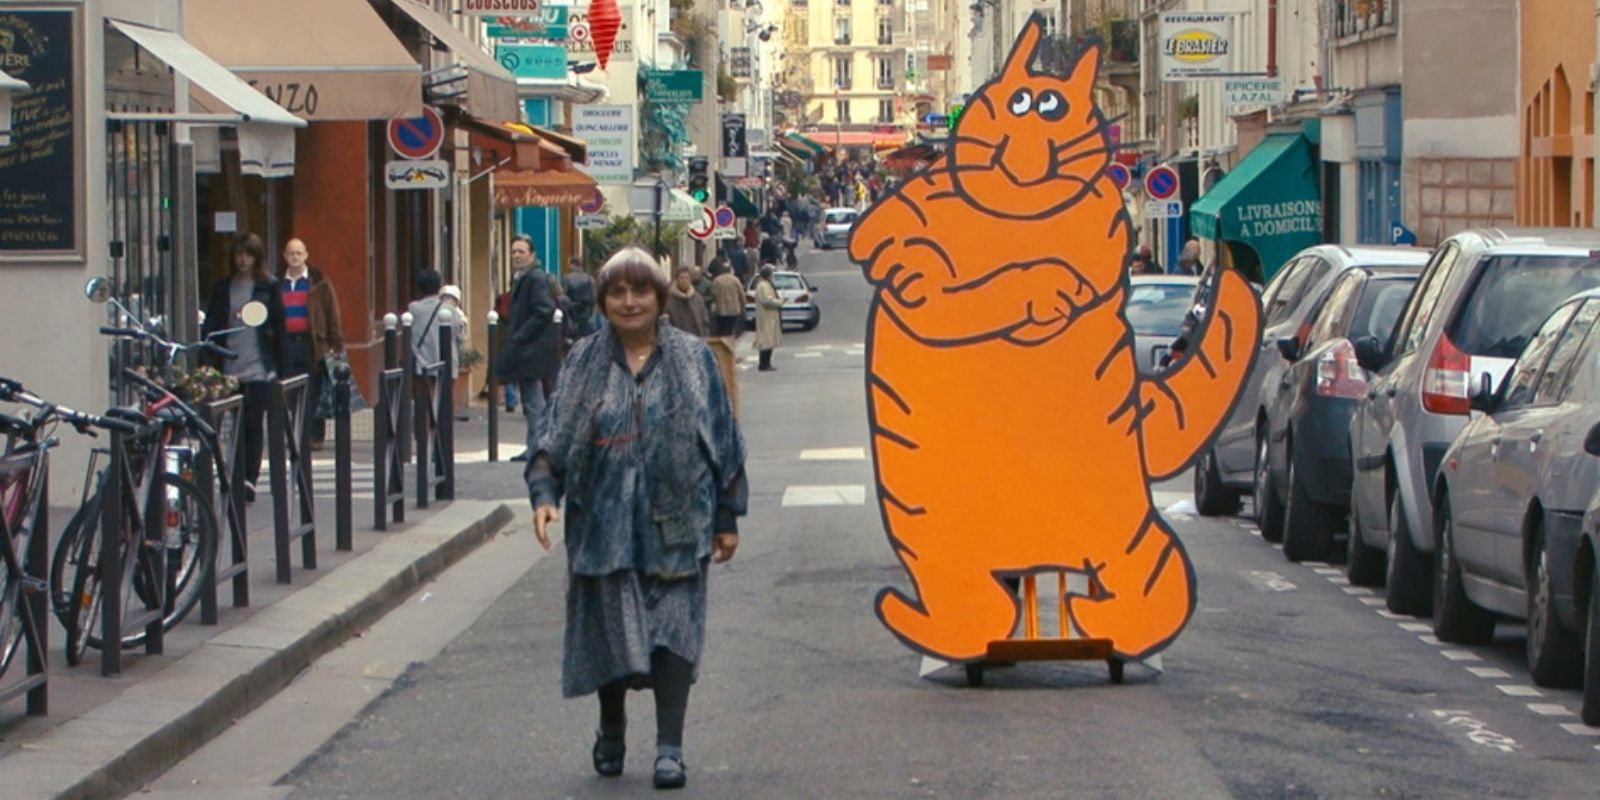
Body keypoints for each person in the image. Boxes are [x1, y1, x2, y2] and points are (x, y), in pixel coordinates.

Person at [527, 246, 746, 790]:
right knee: (612, 636)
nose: (630, 302)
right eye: (617, 293)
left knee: (674, 634)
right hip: (602, 527)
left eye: (640, 291)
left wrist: (726, 516)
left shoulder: (694, 359)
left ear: (659, 296)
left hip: (678, 525)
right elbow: (553, 441)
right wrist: (544, 492)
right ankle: (612, 726)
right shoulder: (583, 361)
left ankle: (670, 747)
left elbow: (724, 440)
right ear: (603, 301)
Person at [203, 233, 288, 503]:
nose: (243, 259)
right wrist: (206, 362)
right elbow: (212, 328)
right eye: (239, 254)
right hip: (228, 364)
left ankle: (249, 478)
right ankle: (234, 474)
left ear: (256, 257)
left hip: (259, 366)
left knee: (253, 421)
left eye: (248, 254)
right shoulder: (222, 287)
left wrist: (280, 369)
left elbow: (279, 327)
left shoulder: (268, 286)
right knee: (231, 424)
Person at [496, 236, 562, 462]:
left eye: (521, 252)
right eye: (513, 251)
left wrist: (520, 335)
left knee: (534, 403)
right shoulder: (523, 278)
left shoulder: (535, 278)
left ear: (532, 255)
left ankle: (538, 448)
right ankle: (534, 446)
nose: (516, 255)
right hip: (528, 349)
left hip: (532, 350)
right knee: (531, 402)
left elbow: (543, 310)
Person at [278, 238, 343, 449]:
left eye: (299, 253)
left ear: (306, 255)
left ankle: (315, 437)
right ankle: (296, 434)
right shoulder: (278, 283)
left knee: (314, 391)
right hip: (287, 344)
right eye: (291, 253)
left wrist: (336, 344)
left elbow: (332, 313)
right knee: (291, 391)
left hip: (313, 343)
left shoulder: (319, 283)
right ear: (285, 256)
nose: (295, 257)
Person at [561, 259, 601, 349]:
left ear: (573, 264)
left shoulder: (566, 278)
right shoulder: (589, 278)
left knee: (573, 335)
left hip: (572, 309)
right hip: (586, 310)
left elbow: (564, 294)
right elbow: (593, 296)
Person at [664, 266, 710, 337]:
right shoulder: (669, 299)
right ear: (676, 279)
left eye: (687, 278)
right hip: (676, 340)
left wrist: (705, 335)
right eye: (682, 278)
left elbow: (704, 320)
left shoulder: (697, 299)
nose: (684, 280)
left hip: (696, 339)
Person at [753, 265, 783, 371]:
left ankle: (767, 363)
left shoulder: (767, 284)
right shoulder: (763, 285)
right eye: (772, 274)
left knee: (769, 340)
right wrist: (779, 302)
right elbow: (767, 300)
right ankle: (764, 364)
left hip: (770, 316)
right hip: (766, 317)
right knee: (766, 340)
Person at [709, 260, 746, 337]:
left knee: (721, 331)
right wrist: (743, 305)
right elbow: (741, 294)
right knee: (732, 330)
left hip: (721, 310)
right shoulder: (735, 280)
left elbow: (713, 295)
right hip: (734, 310)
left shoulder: (717, 280)